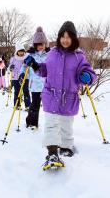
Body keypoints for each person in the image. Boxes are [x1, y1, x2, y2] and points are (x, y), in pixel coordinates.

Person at [24, 21, 97, 169]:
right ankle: (52, 152)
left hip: (69, 98)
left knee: (66, 126)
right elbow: (45, 70)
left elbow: (90, 72)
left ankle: (65, 147)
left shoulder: (79, 57)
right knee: (51, 125)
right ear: (59, 38)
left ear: (74, 38)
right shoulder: (52, 53)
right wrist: (35, 65)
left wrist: (87, 76)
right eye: (62, 36)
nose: (65, 39)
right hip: (51, 95)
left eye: (69, 37)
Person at [21, 27, 50, 129]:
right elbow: (24, 67)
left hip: (48, 84)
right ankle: (32, 123)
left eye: (42, 44)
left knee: (49, 106)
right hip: (35, 84)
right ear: (35, 45)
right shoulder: (30, 55)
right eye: (38, 45)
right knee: (35, 105)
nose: (40, 46)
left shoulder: (50, 54)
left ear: (45, 44)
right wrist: (22, 74)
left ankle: (52, 125)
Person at [9, 43, 31, 110]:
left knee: (25, 91)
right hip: (15, 77)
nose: (21, 53)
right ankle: (17, 105)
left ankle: (28, 105)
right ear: (17, 51)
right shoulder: (13, 59)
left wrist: (28, 66)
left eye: (22, 51)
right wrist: (10, 67)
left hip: (25, 77)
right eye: (19, 51)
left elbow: (30, 67)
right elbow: (9, 68)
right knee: (17, 91)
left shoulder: (26, 57)